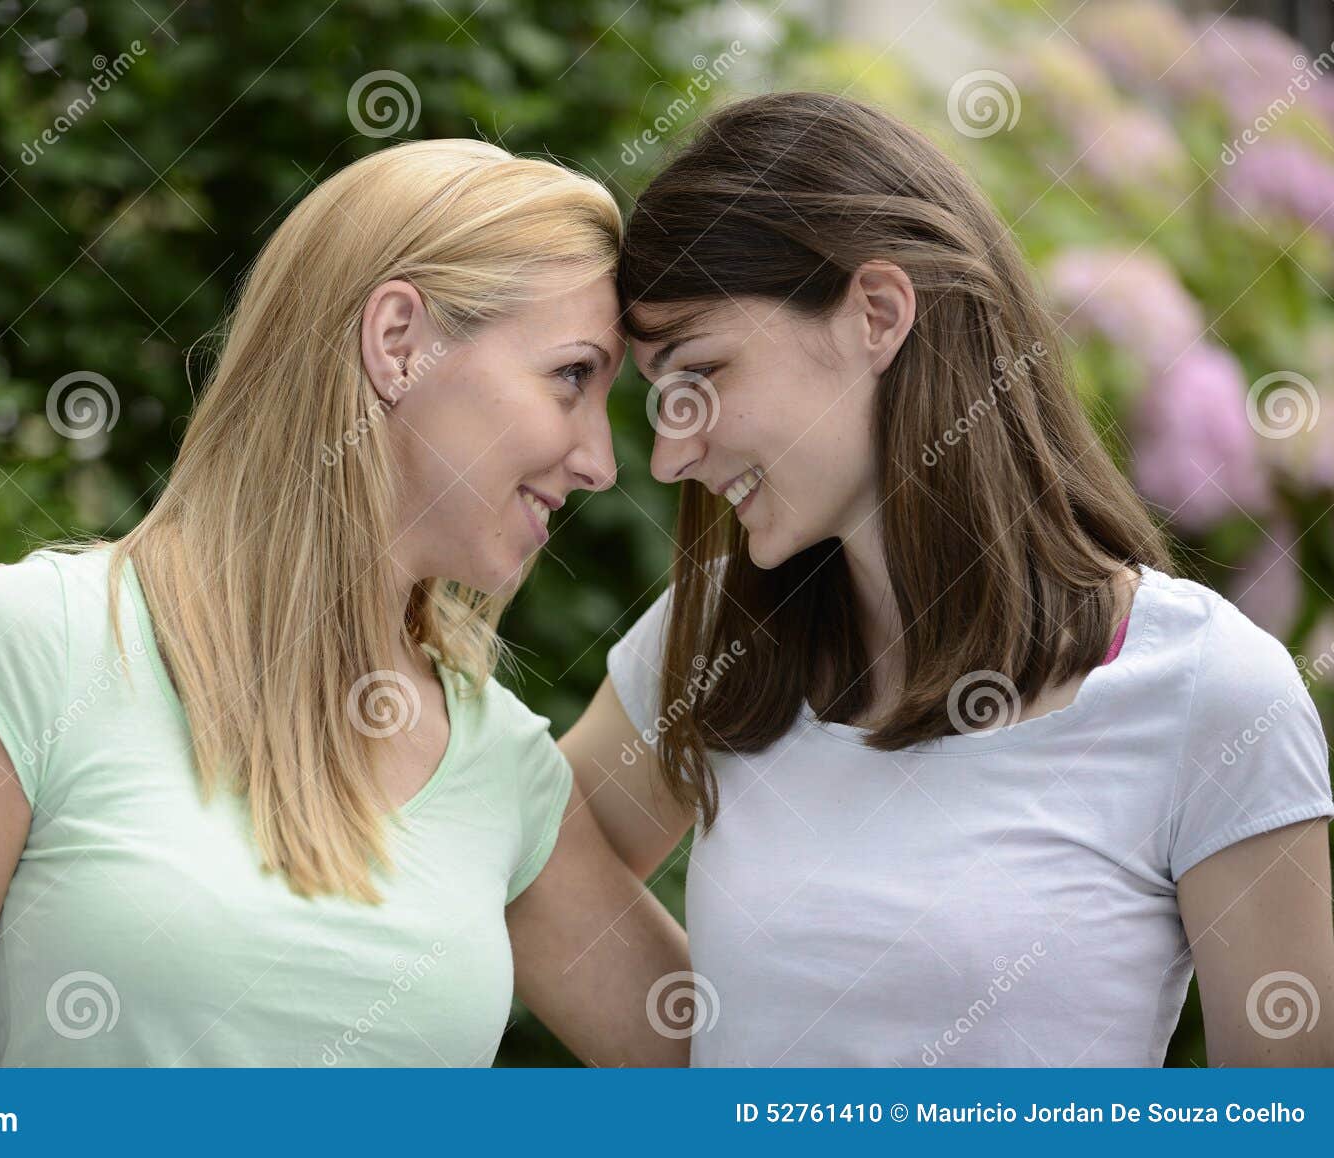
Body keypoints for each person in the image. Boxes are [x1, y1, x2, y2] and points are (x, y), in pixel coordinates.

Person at [0, 139, 689, 1067]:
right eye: (571, 377)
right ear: (400, 344)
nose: (601, 461)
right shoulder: (33, 644)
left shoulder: (503, 769)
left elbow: (752, 1072)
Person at [561, 91, 1334, 1067]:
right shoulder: (722, 635)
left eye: (700, 374)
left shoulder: (1210, 690)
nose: (668, 460)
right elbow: (533, 855)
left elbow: (1282, 1122)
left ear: (876, 315)